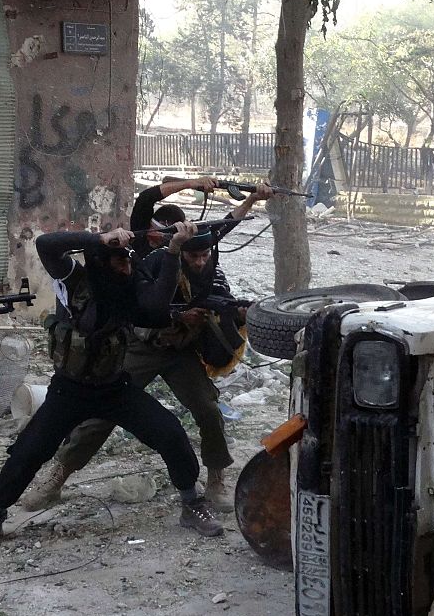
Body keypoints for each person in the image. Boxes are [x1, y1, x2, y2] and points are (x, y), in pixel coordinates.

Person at [21, 184, 272, 514]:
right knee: (100, 414)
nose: (200, 261)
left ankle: (216, 478)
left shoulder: (207, 263)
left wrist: (252, 198)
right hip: (141, 347)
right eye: (193, 256)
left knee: (208, 409)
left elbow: (227, 222)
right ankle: (58, 476)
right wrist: (178, 315)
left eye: (204, 255)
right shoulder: (151, 260)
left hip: (179, 350)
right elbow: (145, 305)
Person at [0, 220, 218, 550]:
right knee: (30, 450)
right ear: (101, 260)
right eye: (119, 261)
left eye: (128, 261)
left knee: (170, 433)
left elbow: (157, 308)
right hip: (70, 390)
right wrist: (99, 238)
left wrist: (173, 250)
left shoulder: (129, 287)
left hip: (114, 388)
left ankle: (191, 503)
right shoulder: (75, 279)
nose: (126, 267)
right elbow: (46, 245)